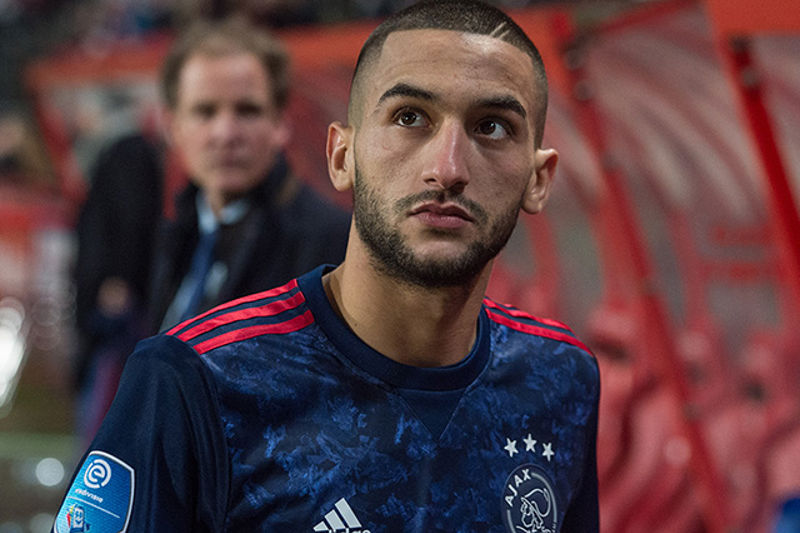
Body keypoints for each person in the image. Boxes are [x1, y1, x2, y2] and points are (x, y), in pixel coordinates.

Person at [53, 2, 600, 531]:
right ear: (341, 157)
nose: (448, 167)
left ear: (539, 179)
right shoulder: (192, 380)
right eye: (410, 118)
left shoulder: (561, 378)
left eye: (493, 127)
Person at [147, 15, 351, 332]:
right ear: (172, 126)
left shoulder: (334, 244)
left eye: (247, 111)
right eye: (205, 111)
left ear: (281, 123)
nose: (226, 134)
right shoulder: (173, 233)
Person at [71, 132, 163, 445]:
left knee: (104, 422)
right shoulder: (133, 154)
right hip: (122, 316)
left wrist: (117, 278)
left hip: (115, 321)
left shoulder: (124, 156)